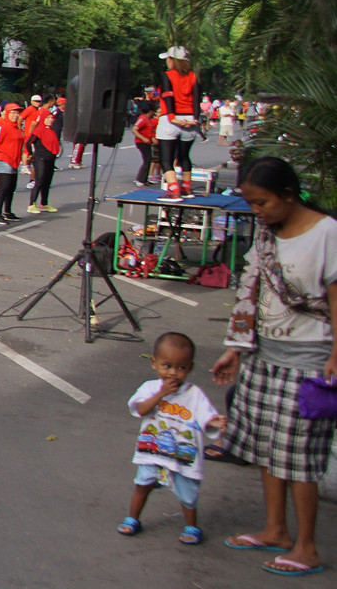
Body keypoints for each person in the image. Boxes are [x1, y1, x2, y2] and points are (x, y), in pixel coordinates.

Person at [211, 157, 337, 576]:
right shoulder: (267, 235)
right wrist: (236, 346)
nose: (256, 212)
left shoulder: (327, 233)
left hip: (311, 364)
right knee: (268, 448)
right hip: (265, 358)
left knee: (299, 459)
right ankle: (275, 529)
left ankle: (306, 548)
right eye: (251, 204)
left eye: (262, 203)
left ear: (288, 195)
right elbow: (251, 288)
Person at [118, 331, 223, 544]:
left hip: (181, 455)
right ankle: (132, 518)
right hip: (153, 451)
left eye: (181, 368)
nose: (173, 373)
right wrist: (160, 395)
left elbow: (205, 415)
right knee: (142, 485)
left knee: (188, 495)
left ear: (190, 368)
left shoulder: (194, 394)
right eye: (167, 366)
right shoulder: (149, 388)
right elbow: (140, 409)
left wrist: (214, 422)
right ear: (154, 363)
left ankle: (191, 526)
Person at [158, 46, 205, 193]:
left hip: (170, 119)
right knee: (184, 156)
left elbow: (168, 95)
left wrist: (172, 117)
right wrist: (195, 119)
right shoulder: (193, 76)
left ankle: (174, 190)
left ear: (172, 60)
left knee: (166, 159)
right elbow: (197, 99)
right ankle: (187, 188)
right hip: (190, 118)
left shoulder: (168, 75)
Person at [0, 102, 25, 224]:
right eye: (12, 112)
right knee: (4, 187)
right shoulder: (3, 126)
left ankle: (7, 212)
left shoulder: (17, 127)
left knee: (11, 187)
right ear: (7, 113)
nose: (15, 115)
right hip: (4, 159)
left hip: (14, 161)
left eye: (17, 113)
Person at [26, 101, 61, 214]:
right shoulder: (39, 129)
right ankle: (31, 204)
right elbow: (28, 142)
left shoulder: (51, 131)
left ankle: (44, 203)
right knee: (39, 181)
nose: (50, 120)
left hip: (50, 160)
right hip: (40, 159)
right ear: (44, 119)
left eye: (51, 118)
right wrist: (30, 154)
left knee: (47, 182)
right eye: (48, 118)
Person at [132, 103, 160, 187]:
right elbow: (134, 129)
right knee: (147, 160)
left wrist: (153, 140)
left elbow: (149, 132)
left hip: (147, 142)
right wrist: (143, 138)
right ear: (151, 111)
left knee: (149, 160)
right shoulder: (143, 118)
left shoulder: (148, 119)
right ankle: (140, 179)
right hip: (142, 142)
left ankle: (144, 179)